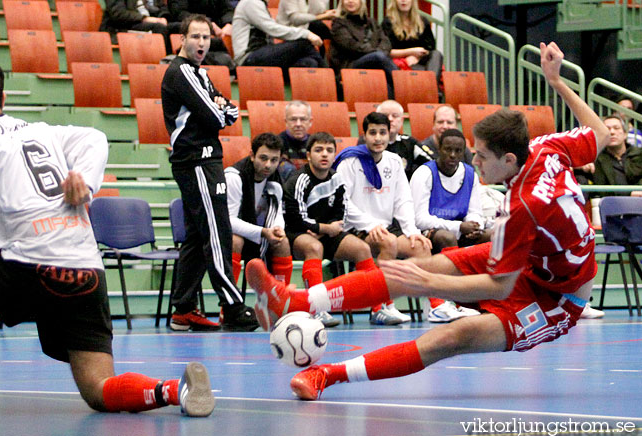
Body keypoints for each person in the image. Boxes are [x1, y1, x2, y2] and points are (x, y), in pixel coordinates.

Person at [245, 42, 611, 401]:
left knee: (452, 336)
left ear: (510, 159)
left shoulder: (522, 208)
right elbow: (602, 134)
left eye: (482, 156)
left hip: (556, 299)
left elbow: (500, 287)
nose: (475, 162)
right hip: (533, 259)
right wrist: (556, 81)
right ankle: (295, 301)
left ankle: (326, 374)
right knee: (417, 269)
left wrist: (429, 283)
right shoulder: (547, 147)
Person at [0, 57, 215, 415]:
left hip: (32, 266)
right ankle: (173, 391)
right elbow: (95, 137)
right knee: (97, 390)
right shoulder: (44, 130)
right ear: (4, 98)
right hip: (87, 269)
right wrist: (84, 179)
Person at [162, 15, 258, 332]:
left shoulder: (199, 73)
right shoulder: (181, 73)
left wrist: (221, 108)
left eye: (206, 37)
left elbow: (230, 109)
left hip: (205, 159)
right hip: (198, 161)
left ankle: (183, 309)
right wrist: (220, 108)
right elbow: (217, 115)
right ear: (182, 39)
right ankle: (231, 307)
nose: (202, 43)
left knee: (196, 236)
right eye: (196, 37)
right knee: (217, 234)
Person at [334, 112, 432, 325]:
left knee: (421, 246)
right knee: (387, 242)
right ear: (364, 135)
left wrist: (412, 231)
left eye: (382, 133)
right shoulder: (349, 161)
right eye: (373, 133)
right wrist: (370, 225)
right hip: (357, 228)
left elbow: (403, 200)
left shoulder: (394, 161)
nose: (378, 138)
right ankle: (382, 306)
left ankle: (436, 306)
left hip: (387, 227)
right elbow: (343, 204)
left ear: (390, 135)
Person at [284, 132, 376, 327]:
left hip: (325, 233)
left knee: (362, 249)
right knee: (314, 247)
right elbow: (294, 218)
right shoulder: (299, 180)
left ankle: (378, 308)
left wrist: (325, 229)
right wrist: (322, 227)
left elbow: (341, 212)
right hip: (297, 234)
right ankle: (316, 309)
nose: (324, 155)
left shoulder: (337, 179)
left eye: (329, 150)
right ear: (309, 155)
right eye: (318, 150)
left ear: (334, 155)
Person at [409, 129, 486, 322]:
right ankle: (455, 302)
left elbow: (476, 210)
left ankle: (488, 299)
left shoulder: (470, 174)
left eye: (458, 151)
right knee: (447, 237)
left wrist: (475, 224)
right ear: (438, 149)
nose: (452, 155)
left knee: (493, 236)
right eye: (448, 150)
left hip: (460, 230)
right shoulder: (424, 173)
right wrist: (459, 226)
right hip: (427, 234)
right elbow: (419, 219)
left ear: (463, 153)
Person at [225, 133, 294, 293]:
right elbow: (229, 221)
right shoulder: (234, 177)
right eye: (263, 158)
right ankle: (229, 307)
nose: (268, 165)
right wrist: (263, 232)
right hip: (221, 235)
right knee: (235, 241)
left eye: (274, 160)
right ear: (252, 156)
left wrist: (277, 230)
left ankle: (280, 301)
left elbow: (277, 214)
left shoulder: (276, 179)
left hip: (258, 233)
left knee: (282, 242)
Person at [329, 0, 398, 98]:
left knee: (386, 83)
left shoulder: (372, 22)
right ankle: (403, 84)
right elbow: (352, 46)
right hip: (350, 65)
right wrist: (376, 53)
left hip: (375, 63)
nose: (350, 1)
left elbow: (385, 42)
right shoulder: (338, 24)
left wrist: (379, 53)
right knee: (378, 56)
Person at [232, 0, 326, 69]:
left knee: (309, 63)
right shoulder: (251, 2)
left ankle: (312, 93)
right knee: (304, 42)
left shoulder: (260, 4)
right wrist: (306, 33)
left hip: (263, 55)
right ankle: (335, 84)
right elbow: (272, 29)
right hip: (248, 57)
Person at [357, 100, 433, 181]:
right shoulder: (367, 141)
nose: (390, 119)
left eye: (395, 116)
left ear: (402, 120)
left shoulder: (409, 143)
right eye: (385, 115)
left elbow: (433, 164)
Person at [167, 0, 236, 75]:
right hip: (186, 28)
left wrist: (229, 23)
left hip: (215, 33)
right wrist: (206, 24)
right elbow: (180, 13)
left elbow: (228, 10)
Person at [382, 0, 443, 84]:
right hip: (399, 62)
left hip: (420, 59)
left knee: (436, 54)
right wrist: (411, 52)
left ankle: (431, 87)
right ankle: (431, 89)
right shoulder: (388, 22)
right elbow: (386, 51)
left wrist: (417, 57)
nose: (403, 1)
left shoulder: (422, 21)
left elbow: (430, 47)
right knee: (422, 71)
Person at [591, 115, 642, 197]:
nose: (612, 132)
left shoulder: (639, 154)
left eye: (616, 128)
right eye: (607, 129)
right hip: (613, 204)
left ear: (625, 134)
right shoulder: (596, 159)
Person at [100, 0, 180, 52]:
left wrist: (162, 17)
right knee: (160, 28)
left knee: (178, 27)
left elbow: (160, 7)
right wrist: (145, 19)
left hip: (148, 23)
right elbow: (118, 14)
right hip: (122, 27)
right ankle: (163, 62)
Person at [278, 100, 314, 180]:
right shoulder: (276, 144)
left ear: (310, 121)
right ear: (286, 122)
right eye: (293, 119)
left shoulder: (315, 144)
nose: (298, 124)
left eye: (303, 119)